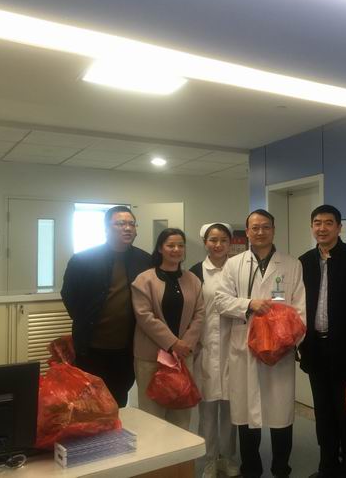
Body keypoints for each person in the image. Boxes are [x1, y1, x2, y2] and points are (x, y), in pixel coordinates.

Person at [215, 209, 306, 478]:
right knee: (247, 413)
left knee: (281, 413)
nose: (260, 232)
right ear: (247, 231)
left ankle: (281, 468)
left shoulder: (291, 264)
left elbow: (300, 309)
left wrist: (287, 342)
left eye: (266, 227)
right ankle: (251, 468)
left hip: (280, 350)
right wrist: (249, 304)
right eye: (254, 227)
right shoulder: (234, 264)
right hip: (245, 346)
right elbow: (220, 301)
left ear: (273, 230)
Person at [298, 205, 346, 478]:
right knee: (323, 413)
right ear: (312, 227)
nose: (322, 228)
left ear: (339, 227)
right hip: (315, 349)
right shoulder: (304, 261)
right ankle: (327, 466)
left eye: (328, 223)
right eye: (317, 223)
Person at [61, 205, 151, 407]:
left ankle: (119, 428)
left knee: (119, 398)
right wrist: (85, 320)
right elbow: (69, 295)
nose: (127, 228)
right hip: (91, 347)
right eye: (120, 223)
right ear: (106, 228)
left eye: (131, 224)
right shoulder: (83, 259)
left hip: (127, 348)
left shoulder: (145, 260)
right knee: (91, 401)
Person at [131, 228, 205, 429]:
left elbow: (200, 314)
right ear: (160, 248)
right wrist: (173, 343)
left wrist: (185, 344)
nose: (176, 249)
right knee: (152, 416)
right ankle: (155, 450)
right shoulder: (144, 280)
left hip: (183, 357)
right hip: (151, 357)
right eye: (170, 245)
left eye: (180, 245)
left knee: (181, 414)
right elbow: (144, 316)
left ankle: (180, 451)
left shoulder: (193, 280)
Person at [189, 223, 240, 478]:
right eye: (213, 240)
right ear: (205, 242)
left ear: (230, 243)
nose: (218, 245)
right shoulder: (195, 272)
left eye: (223, 240)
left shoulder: (239, 269)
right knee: (207, 411)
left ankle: (228, 458)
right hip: (206, 348)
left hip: (235, 347)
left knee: (231, 411)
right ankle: (209, 460)